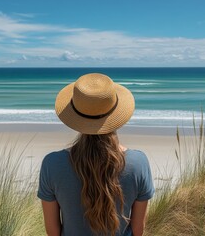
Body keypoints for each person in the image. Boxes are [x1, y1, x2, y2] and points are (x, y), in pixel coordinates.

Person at [37, 73, 155, 236]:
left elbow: (52, 231)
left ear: (76, 115)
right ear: (116, 113)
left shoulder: (52, 164)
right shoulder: (138, 162)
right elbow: (138, 230)